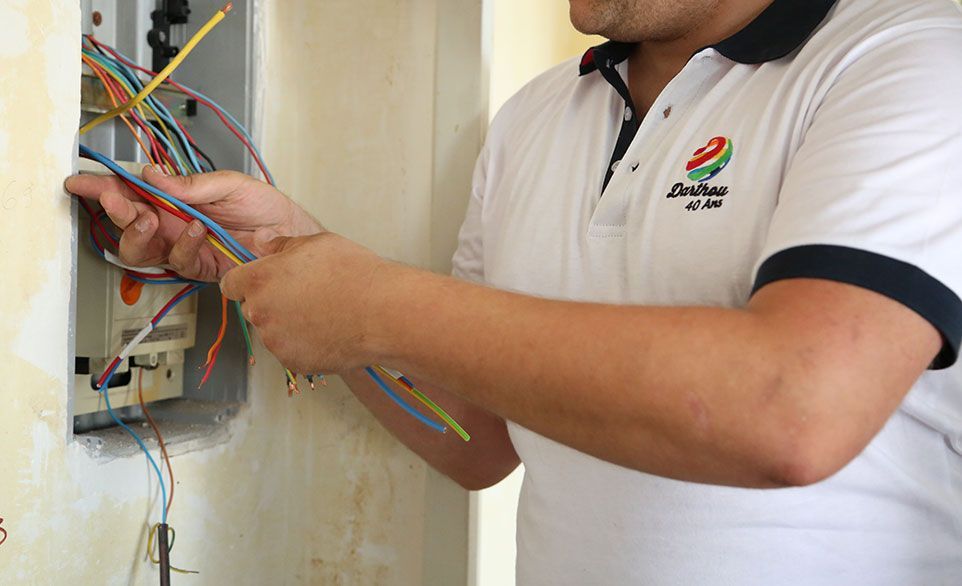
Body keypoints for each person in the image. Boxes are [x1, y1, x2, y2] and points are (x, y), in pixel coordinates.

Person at [67, 0, 962, 583]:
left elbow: (794, 409)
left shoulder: (909, 59)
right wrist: (284, 257)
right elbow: (480, 438)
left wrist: (374, 305)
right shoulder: (539, 117)